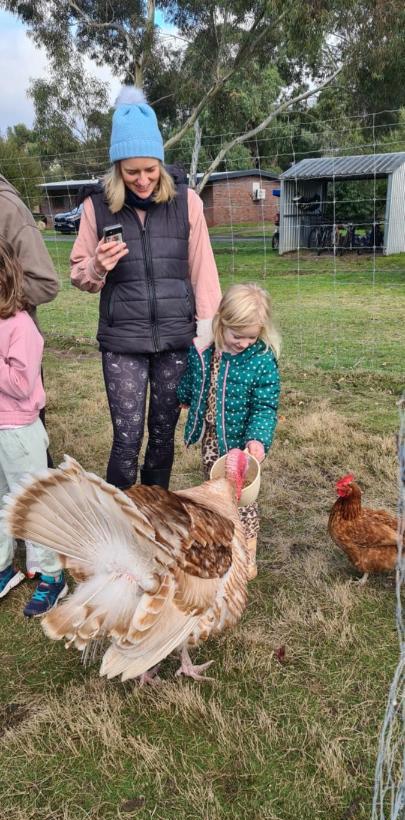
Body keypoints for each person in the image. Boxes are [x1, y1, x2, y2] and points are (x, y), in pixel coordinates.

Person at [71, 86, 221, 491]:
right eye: (131, 171)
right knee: (126, 438)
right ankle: (118, 523)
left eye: (150, 170)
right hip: (123, 342)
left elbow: (203, 270)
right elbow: (77, 272)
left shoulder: (187, 203)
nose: (142, 180)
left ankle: (155, 517)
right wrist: (96, 267)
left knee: (161, 436)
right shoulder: (96, 207)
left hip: (176, 339)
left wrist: (209, 332)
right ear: (117, 167)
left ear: (160, 161)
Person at [177, 283, 281, 579]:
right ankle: (222, 545)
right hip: (212, 440)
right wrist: (183, 396)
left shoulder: (260, 360)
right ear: (222, 322)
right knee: (214, 495)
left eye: (252, 336)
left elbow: (265, 405)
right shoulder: (205, 349)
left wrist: (257, 439)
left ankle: (247, 554)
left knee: (242, 501)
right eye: (239, 335)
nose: (245, 342)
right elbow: (194, 378)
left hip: (241, 446)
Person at [0, 238, 67, 616]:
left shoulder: (20, 326)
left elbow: (21, 384)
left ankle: (52, 575)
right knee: (1, 500)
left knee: (33, 503)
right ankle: (3, 566)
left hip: (19, 432)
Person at [0, 174, 59, 466]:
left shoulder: (7, 209)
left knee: (30, 484)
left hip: (18, 416)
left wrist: (6, 300)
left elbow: (46, 283)